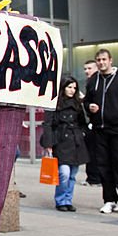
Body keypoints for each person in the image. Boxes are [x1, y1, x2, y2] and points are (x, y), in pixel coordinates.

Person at [85, 48, 118, 216]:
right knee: (104, 166)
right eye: (98, 60)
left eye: (104, 59)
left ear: (110, 60)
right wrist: (89, 107)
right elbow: (87, 101)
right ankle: (110, 200)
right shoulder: (94, 80)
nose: (101, 62)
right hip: (100, 129)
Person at [40, 75, 90, 212]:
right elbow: (47, 124)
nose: (72, 90)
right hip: (61, 141)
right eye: (69, 87)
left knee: (73, 174)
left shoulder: (77, 104)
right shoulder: (54, 103)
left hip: (75, 141)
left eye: (74, 87)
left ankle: (68, 200)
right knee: (64, 173)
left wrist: (83, 134)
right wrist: (48, 144)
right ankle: (61, 199)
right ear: (63, 87)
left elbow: (82, 123)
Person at [81, 59, 100, 186]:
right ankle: (93, 177)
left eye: (89, 68)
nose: (87, 71)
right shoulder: (91, 83)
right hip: (91, 122)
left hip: (96, 122)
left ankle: (94, 178)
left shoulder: (97, 83)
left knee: (94, 152)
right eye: (85, 69)